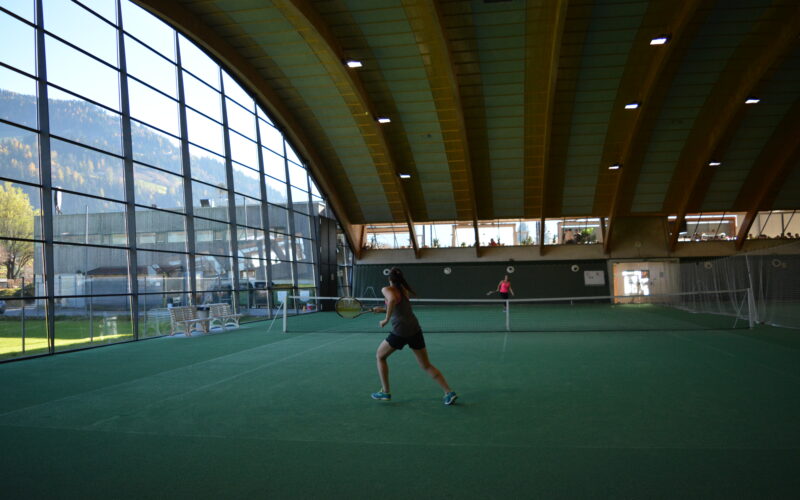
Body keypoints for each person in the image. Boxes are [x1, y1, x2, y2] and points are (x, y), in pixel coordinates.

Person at [371, 268, 457, 405]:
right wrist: (381, 310)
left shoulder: (386, 289)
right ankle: (448, 392)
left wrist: (386, 319)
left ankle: (385, 392)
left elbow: (392, 300)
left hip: (400, 331)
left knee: (380, 356)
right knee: (426, 365)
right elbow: (399, 309)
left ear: (389, 279)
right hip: (415, 330)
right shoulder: (404, 290)